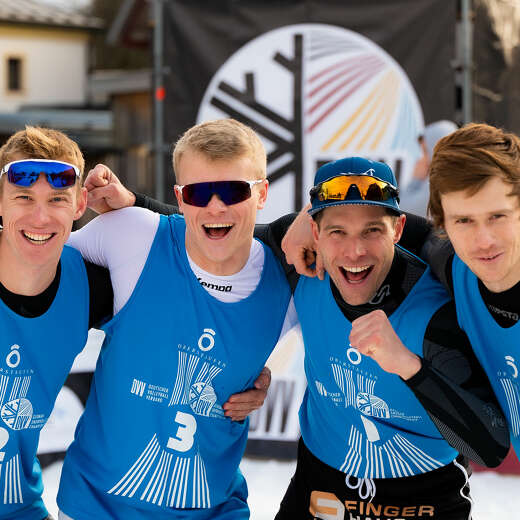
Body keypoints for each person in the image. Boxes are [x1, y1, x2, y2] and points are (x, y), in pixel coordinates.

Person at [56, 119, 294, 519]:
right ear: (181, 198)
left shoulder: (288, 283)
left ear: (261, 194)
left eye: (233, 191)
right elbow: (33, 270)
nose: (215, 206)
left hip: (214, 509)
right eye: (200, 193)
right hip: (97, 506)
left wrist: (255, 375)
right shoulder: (132, 232)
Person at [269, 157, 508, 520]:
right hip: (320, 490)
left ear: (397, 230)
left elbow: (490, 447)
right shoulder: (301, 267)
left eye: (372, 231)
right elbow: (205, 239)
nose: (355, 252)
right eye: (337, 232)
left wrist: (410, 367)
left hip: (423, 499)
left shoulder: (435, 312)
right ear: (314, 234)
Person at [0, 126, 109, 520]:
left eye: (57, 199)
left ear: (81, 204)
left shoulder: (92, 284)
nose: (40, 217)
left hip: (20, 508)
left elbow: (198, 271)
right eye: (24, 197)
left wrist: (242, 377)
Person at [426, 122, 520, 459]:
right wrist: (307, 220)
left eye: (498, 216)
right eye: (463, 220)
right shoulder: (454, 267)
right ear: (444, 223)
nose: (483, 241)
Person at [400, 120, 458, 217]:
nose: (420, 158)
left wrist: (415, 180)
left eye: (425, 151)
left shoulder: (439, 187)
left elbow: (398, 210)